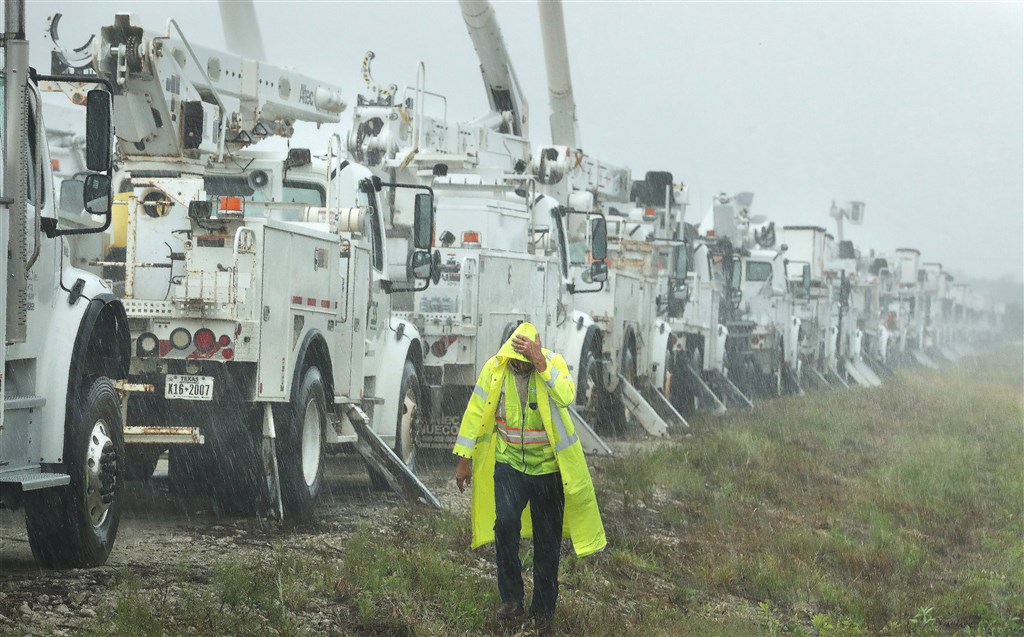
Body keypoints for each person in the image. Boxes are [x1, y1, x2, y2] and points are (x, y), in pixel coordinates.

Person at [453, 322, 606, 631]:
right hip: (510, 467)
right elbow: (475, 412)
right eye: (516, 355)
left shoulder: (552, 363)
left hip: (548, 471)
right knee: (505, 525)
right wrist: (463, 459)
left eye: (525, 355)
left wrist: (541, 362)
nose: (519, 363)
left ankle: (543, 610)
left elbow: (565, 395)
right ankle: (511, 598)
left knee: (547, 544)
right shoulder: (496, 370)